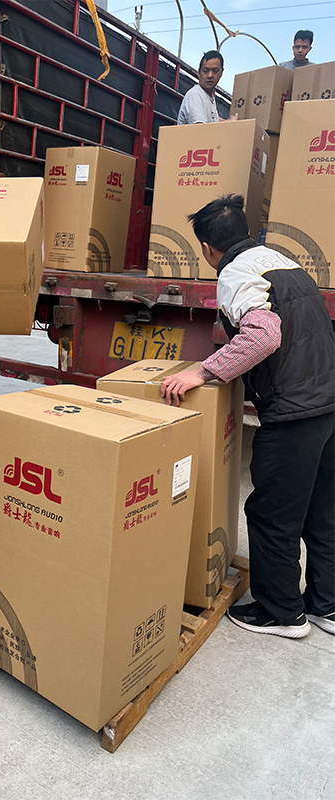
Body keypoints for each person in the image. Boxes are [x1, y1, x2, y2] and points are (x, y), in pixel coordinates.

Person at [161, 195, 335, 639]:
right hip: (328, 401)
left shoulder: (236, 273)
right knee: (322, 510)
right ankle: (326, 605)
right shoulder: (282, 260)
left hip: (295, 410)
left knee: (273, 513)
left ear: (207, 248)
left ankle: (282, 612)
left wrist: (203, 371)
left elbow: (263, 337)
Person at [177, 51, 229, 125]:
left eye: (215, 71)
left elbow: (215, 121)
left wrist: (231, 122)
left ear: (221, 73)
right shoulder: (195, 95)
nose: (210, 75)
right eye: (205, 71)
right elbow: (200, 129)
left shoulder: (209, 97)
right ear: (199, 72)